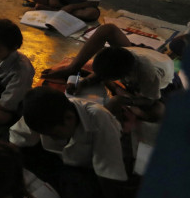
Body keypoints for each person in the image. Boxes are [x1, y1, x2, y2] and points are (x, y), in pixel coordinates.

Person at [10, 86, 132, 198]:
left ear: (69, 118)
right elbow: (17, 138)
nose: (50, 137)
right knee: (17, 156)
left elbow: (108, 171)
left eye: (54, 134)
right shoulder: (43, 114)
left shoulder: (98, 119)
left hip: (86, 167)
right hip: (60, 160)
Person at [42, 23, 175, 123]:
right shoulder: (123, 56)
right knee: (108, 29)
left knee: (157, 113)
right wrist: (84, 83)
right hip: (146, 53)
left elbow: (150, 101)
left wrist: (120, 100)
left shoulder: (147, 74)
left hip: (161, 79)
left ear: (122, 77)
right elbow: (103, 71)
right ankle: (74, 67)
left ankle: (117, 90)